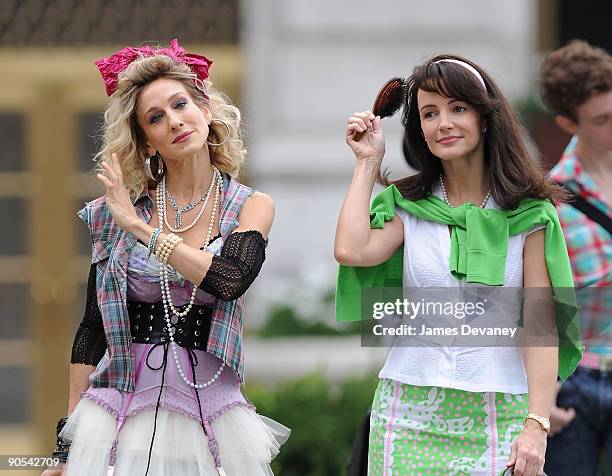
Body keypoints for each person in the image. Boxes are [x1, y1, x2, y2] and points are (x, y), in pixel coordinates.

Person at [41, 39, 289, 476]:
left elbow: (229, 280)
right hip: (117, 411)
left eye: (180, 105)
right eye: (156, 118)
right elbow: (90, 330)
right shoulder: (113, 214)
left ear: (206, 111)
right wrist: (65, 447)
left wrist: (143, 230)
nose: (174, 121)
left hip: (211, 414)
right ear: (148, 142)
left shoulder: (251, 205)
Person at [334, 54, 583, 476]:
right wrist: (366, 162)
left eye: (458, 108)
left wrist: (537, 426)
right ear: (421, 131)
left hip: (499, 411)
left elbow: (542, 327)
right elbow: (352, 249)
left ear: (485, 118)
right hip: (407, 410)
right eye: (430, 113)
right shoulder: (409, 207)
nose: (443, 122)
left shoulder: (529, 213)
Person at [540, 40, 612, 475]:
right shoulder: (551, 199)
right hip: (575, 382)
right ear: (568, 122)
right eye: (602, 120)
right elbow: (537, 300)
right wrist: (540, 394)